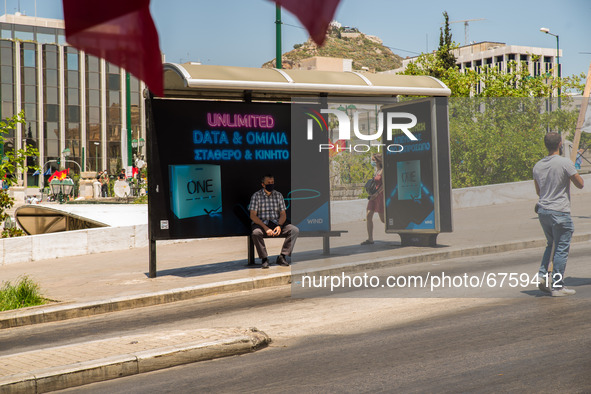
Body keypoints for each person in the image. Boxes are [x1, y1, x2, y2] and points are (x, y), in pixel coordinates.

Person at [533, 132, 584, 297]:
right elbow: (580, 184)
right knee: (561, 247)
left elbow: (539, 191)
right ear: (560, 144)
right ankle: (557, 285)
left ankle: (542, 275)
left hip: (543, 211)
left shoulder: (538, 165)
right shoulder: (565, 163)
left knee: (551, 244)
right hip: (560, 211)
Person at [249, 174, 299, 269]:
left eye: (272, 182)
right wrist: (265, 228)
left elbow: (283, 214)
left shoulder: (278, 195)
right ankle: (264, 259)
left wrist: (279, 225)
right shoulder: (256, 196)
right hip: (261, 224)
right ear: (263, 184)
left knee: (294, 230)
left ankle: (282, 256)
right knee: (256, 233)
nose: (271, 184)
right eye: (268, 183)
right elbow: (253, 215)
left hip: (276, 223)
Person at [362, 153, 384, 245]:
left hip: (379, 195)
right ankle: (370, 239)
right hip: (373, 195)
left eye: (374, 160)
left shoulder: (383, 170)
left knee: (383, 220)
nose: (372, 162)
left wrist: (377, 193)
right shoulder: (377, 170)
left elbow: (384, 184)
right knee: (368, 215)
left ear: (378, 161)